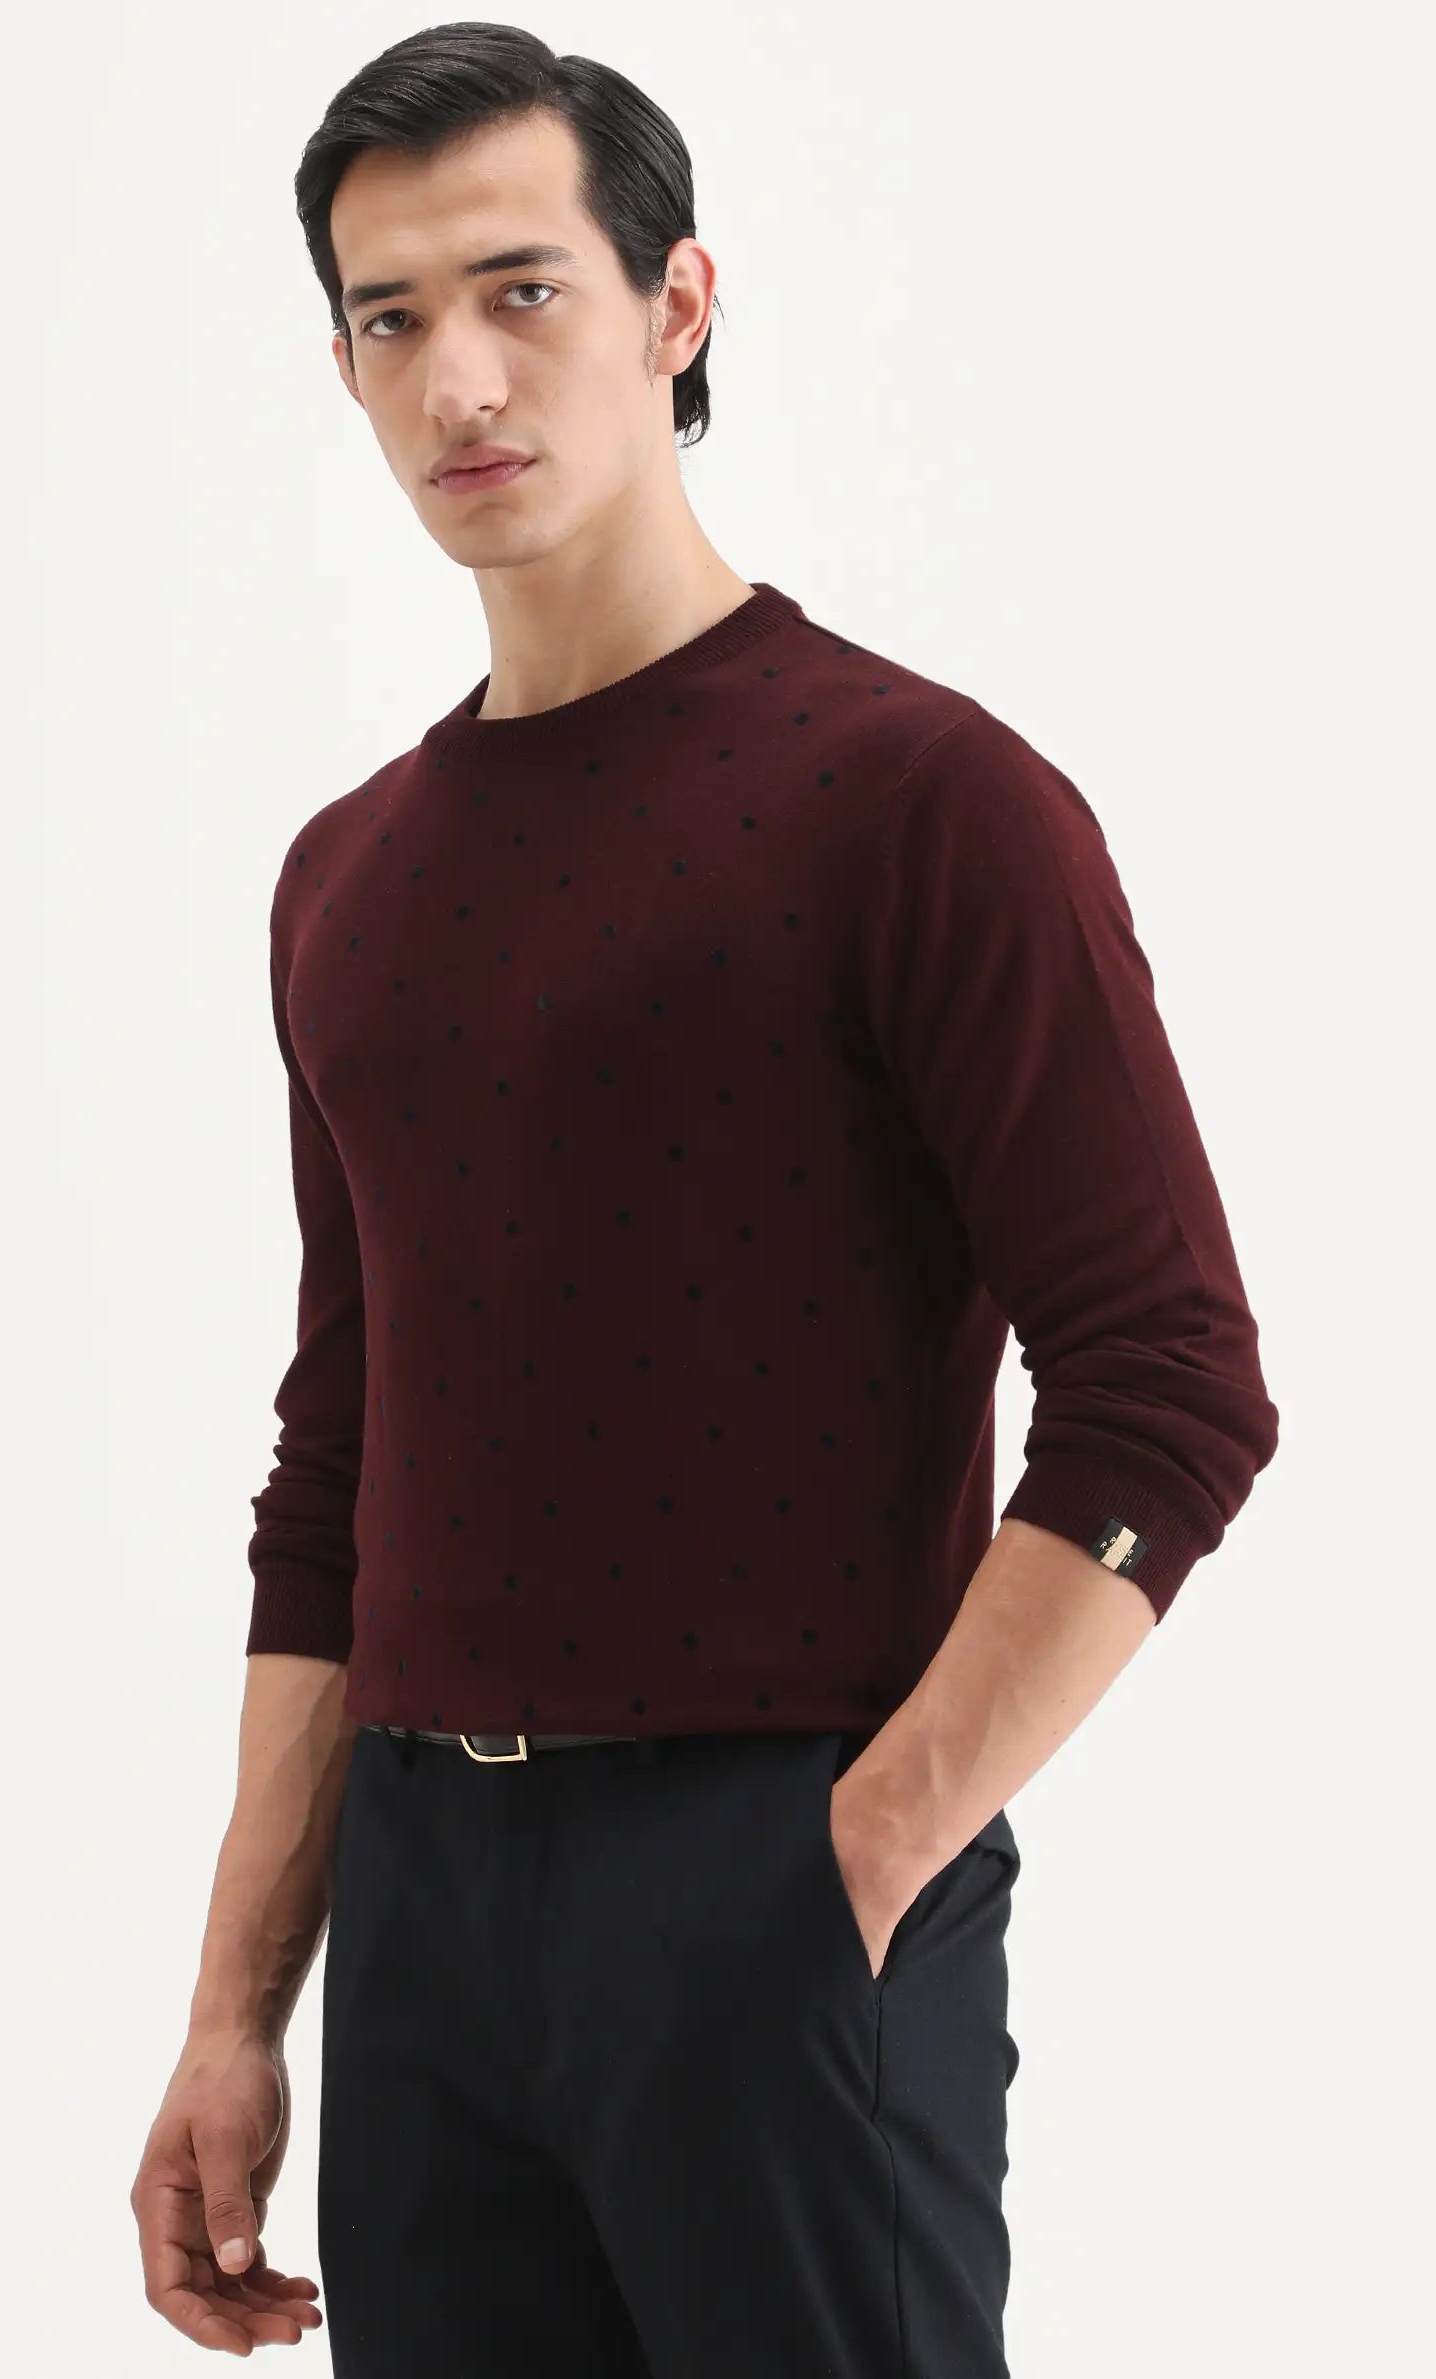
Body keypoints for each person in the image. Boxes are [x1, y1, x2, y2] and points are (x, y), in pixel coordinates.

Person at [130, 25, 1279, 2372]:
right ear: (342, 368)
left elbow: (1171, 1385)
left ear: (677, 305)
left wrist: (867, 1850)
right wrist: (239, 2007)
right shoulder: (349, 878)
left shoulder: (922, 801)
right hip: (424, 1920)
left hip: (776, 1871)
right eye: (389, 317)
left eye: (521, 289)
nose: (458, 376)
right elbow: (338, 1467)